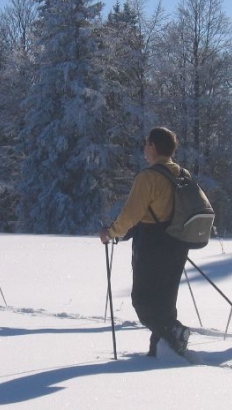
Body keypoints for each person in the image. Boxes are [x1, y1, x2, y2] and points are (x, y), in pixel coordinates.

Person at [99, 127, 191, 356]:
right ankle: (161, 351)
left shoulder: (148, 177)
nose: (144, 149)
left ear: (152, 147)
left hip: (153, 244)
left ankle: (174, 333)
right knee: (165, 301)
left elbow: (131, 215)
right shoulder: (182, 174)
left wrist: (111, 232)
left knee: (143, 302)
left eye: (146, 144)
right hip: (178, 243)